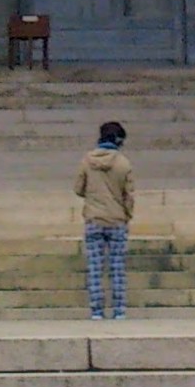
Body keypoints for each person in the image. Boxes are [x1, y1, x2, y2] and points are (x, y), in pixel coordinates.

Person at [76, 120, 135, 320]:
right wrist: (127, 215)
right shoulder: (124, 163)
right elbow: (129, 195)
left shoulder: (86, 161)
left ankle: (97, 311)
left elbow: (78, 189)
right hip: (117, 220)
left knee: (95, 267)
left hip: (94, 219)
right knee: (117, 267)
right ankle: (119, 310)